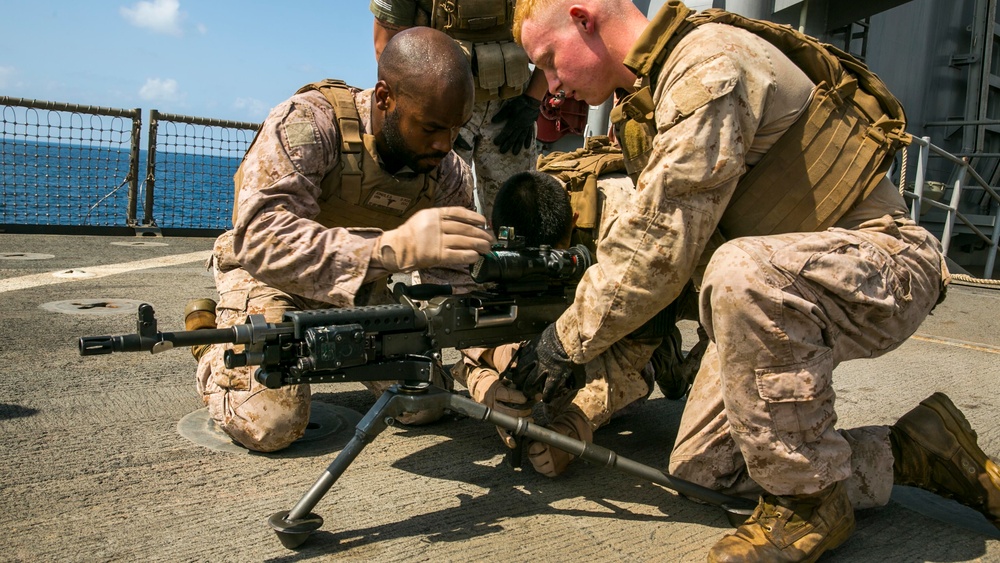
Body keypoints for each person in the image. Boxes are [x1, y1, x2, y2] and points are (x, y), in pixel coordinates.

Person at [509, 1, 1000, 561]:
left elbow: (659, 247)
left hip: (882, 264)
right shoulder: (647, 95)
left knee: (738, 274)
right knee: (709, 467)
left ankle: (811, 505)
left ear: (583, 18)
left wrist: (561, 344)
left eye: (549, 61)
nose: (551, 85)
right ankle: (918, 452)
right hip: (790, 279)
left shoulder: (707, 66)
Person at [185, 27, 494, 453]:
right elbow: (259, 237)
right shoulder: (310, 122)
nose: (444, 144)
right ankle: (212, 349)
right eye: (431, 127)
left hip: (358, 294)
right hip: (270, 280)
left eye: (455, 129)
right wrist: (390, 250)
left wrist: (489, 365)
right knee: (272, 424)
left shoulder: (447, 172)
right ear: (385, 99)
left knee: (425, 404)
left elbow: (457, 287)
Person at [453, 159, 661, 477]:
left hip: (654, 308)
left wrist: (576, 426)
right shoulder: (518, 212)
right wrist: (489, 382)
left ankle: (672, 359)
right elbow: (470, 323)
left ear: (574, 222)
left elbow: (638, 343)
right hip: (578, 304)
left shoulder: (625, 230)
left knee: (630, 379)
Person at [370, 0, 549, 220]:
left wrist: (531, 101)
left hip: (512, 109)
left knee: (518, 212)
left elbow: (554, 33)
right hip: (438, 113)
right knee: (437, 213)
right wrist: (438, 119)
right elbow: (387, 47)